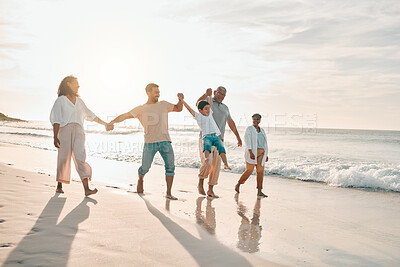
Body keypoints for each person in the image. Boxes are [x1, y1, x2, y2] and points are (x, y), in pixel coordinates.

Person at [107, 83, 183, 200]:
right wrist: (112, 122)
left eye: (159, 92)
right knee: (145, 167)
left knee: (170, 167)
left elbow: (178, 108)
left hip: (165, 141)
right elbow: (125, 116)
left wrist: (180, 100)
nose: (158, 94)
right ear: (148, 93)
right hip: (150, 143)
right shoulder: (141, 109)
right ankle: (141, 178)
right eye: (156, 92)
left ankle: (168, 193)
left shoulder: (164, 104)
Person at [50, 75, 110, 196]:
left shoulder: (80, 101)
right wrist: (55, 136)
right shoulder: (60, 100)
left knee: (80, 157)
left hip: (79, 131)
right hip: (65, 130)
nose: (78, 86)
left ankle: (87, 189)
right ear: (68, 84)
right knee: (63, 158)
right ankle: (59, 185)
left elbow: (91, 115)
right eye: (75, 83)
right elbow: (56, 119)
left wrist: (105, 124)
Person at [196, 87, 242, 198]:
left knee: (216, 166)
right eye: (219, 93)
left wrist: (238, 137)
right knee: (207, 161)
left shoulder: (225, 108)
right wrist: (205, 94)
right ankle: (200, 183)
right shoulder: (208, 101)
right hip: (206, 137)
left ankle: (210, 190)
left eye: (223, 95)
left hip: (219, 140)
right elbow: (197, 104)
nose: (221, 96)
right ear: (215, 93)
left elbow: (230, 122)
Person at [178, 91, 231, 170]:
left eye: (209, 108)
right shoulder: (198, 116)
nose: (208, 110)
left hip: (215, 136)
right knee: (206, 147)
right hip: (207, 136)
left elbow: (210, 103)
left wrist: (209, 96)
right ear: (200, 110)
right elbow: (189, 109)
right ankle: (206, 159)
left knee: (221, 148)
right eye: (206, 109)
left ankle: (226, 164)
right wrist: (182, 100)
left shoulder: (210, 114)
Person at [235, 114, 268, 198]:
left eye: (257, 119)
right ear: (252, 120)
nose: (255, 121)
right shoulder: (249, 129)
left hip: (261, 153)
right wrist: (250, 152)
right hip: (252, 152)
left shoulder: (262, 130)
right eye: (254, 119)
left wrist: (266, 154)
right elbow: (247, 141)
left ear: (260, 120)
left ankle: (259, 191)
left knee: (260, 172)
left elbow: (265, 143)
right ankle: (239, 184)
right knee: (249, 170)